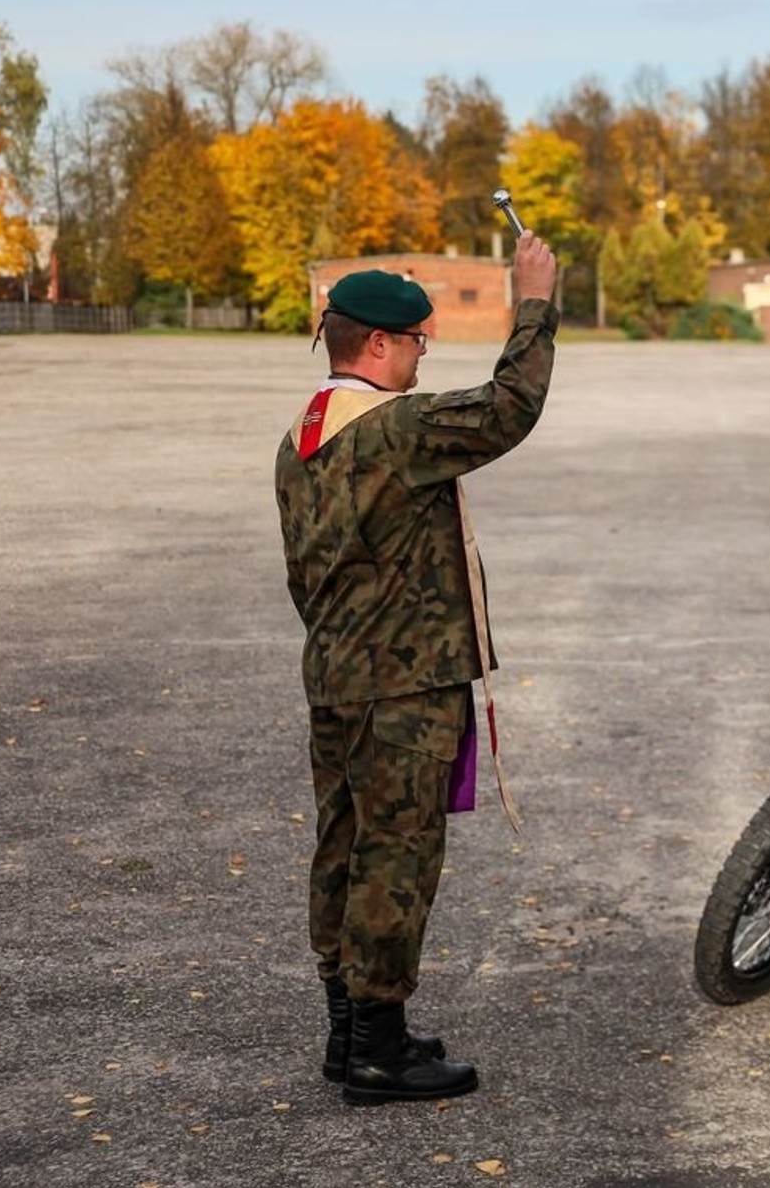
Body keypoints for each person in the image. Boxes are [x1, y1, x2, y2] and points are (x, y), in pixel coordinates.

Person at [275, 232, 559, 1105]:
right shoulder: (396, 428)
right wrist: (535, 300)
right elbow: (510, 407)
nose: (421, 357)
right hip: (401, 689)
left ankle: (347, 1029)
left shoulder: (300, 439)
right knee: (397, 859)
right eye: (417, 344)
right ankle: (379, 1050)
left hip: (335, 677)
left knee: (344, 851)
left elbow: (301, 576)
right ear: (380, 345)